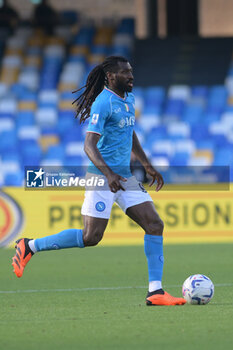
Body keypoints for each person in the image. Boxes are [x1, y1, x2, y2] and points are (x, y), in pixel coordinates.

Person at [12, 56, 186, 306]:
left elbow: (129, 131)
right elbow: (89, 145)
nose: (131, 76)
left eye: (132, 72)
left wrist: (146, 164)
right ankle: (30, 245)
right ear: (111, 76)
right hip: (102, 177)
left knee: (154, 223)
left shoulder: (129, 98)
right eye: (126, 73)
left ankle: (155, 291)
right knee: (91, 237)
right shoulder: (103, 103)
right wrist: (108, 174)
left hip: (123, 176)